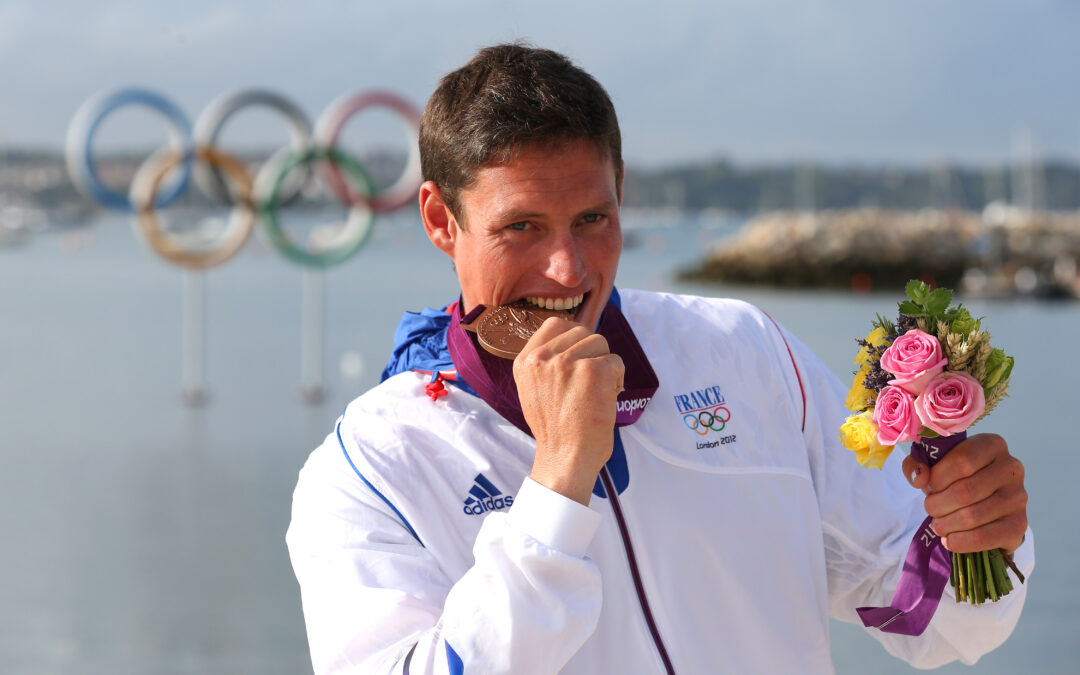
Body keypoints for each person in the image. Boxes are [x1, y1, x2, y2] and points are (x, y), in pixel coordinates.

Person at [286, 43, 1033, 674]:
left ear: (622, 195)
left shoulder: (744, 350)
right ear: (440, 220)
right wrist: (556, 484)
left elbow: (926, 617)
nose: (566, 269)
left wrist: (979, 535)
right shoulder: (371, 466)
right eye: (521, 227)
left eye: (592, 218)